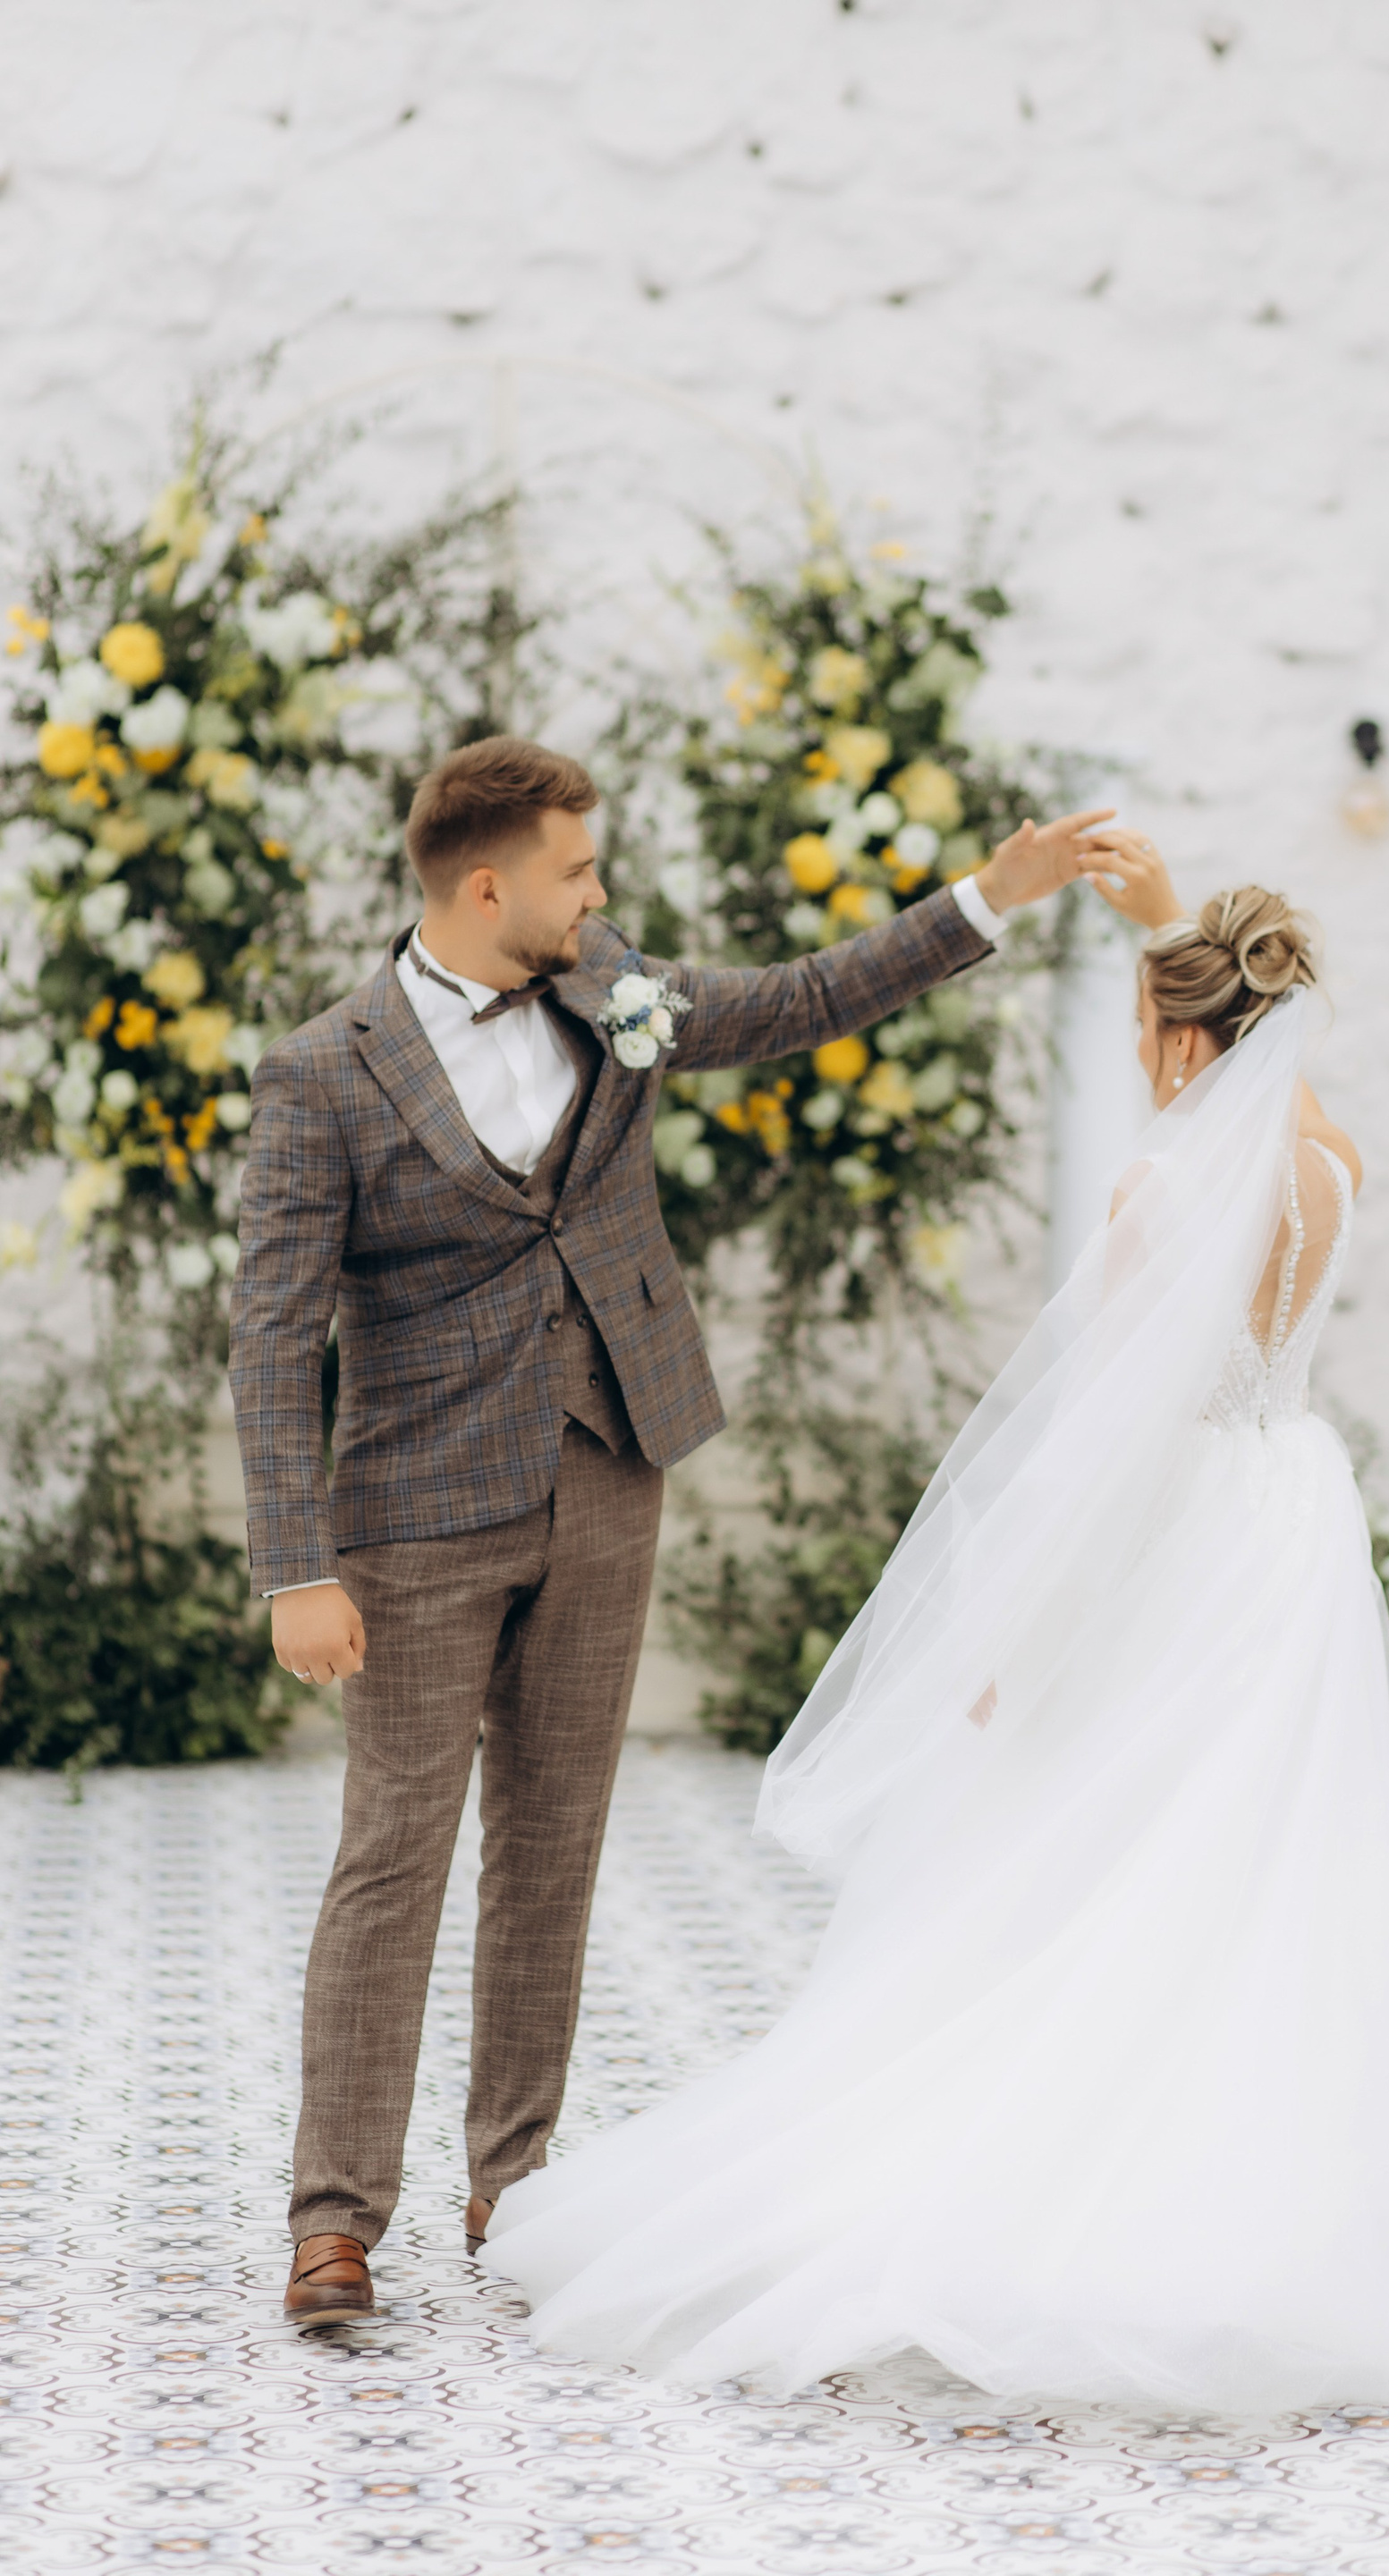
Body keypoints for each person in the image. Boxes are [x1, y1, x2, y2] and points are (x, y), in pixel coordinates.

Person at [481, 833, 1389, 2413]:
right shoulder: (1330, 1159)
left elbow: (1110, 1446)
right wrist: (1182, 931)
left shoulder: (1164, 1195)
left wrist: (1018, 1639)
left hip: (1189, 1530)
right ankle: (1269, 2179)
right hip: (1292, 1523)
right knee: (1263, 1850)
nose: (1143, 1066)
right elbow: (1276, 1086)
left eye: (1150, 1036)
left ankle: (1079, 2178)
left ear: (1188, 1046)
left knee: (1095, 1843)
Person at [228, 732, 1115, 2327]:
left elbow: (799, 999)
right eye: (575, 870)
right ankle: (336, 2217)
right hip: (413, 1513)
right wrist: (295, 1563)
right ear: (484, 887)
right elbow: (274, 1332)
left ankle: (516, 2182)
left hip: (607, 1466)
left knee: (553, 1843)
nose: (600, 892)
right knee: (393, 1857)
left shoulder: (608, 984)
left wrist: (991, 897)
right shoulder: (322, 1072)